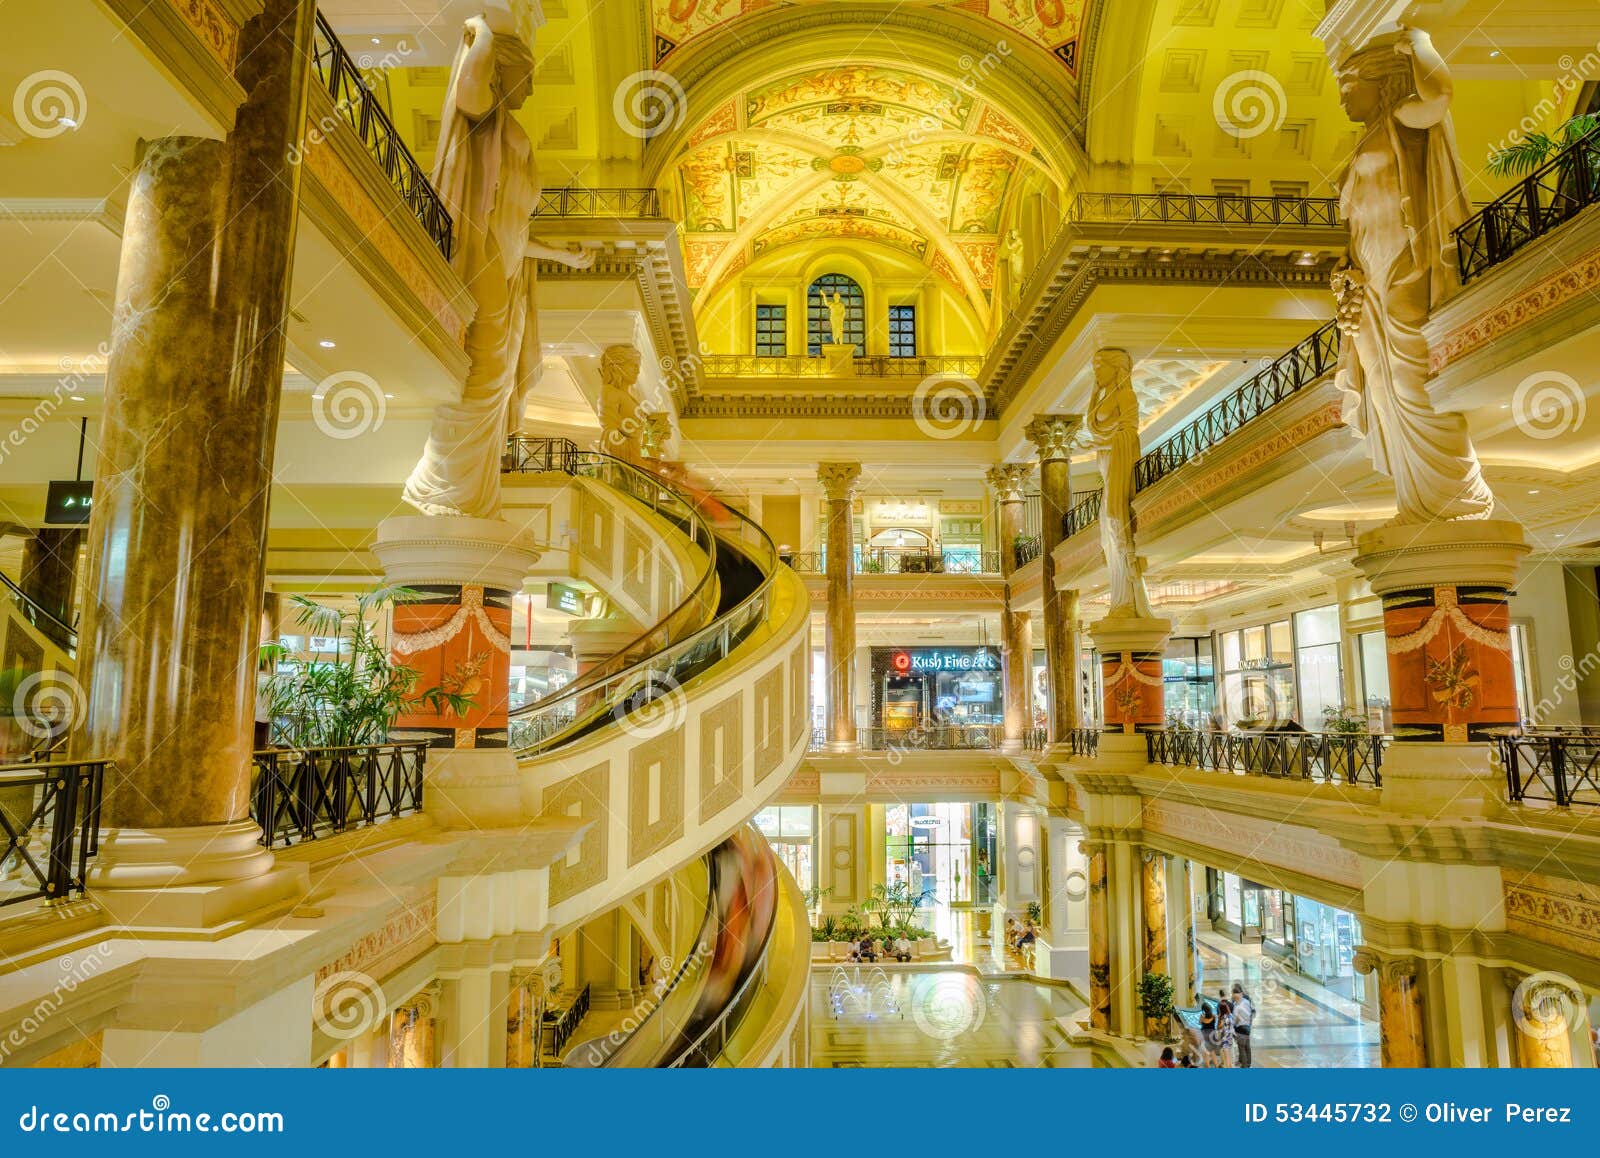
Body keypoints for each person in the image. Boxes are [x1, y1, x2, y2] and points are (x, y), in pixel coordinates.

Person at [1231, 983, 1255, 1068]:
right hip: (1247, 1027)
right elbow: (1252, 1012)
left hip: (1240, 1028)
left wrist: (1233, 1026)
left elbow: (1236, 1020)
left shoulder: (1237, 1006)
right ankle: (1248, 1063)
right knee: (1247, 1047)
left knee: (1241, 1049)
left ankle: (1244, 1066)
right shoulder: (1247, 1001)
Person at [1213, 999, 1236, 1068]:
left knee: (1226, 1057)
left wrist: (1218, 1018)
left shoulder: (1223, 1018)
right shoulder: (1231, 1015)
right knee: (1228, 1056)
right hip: (1230, 1038)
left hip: (1224, 1039)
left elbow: (1219, 1028)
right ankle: (1230, 1066)